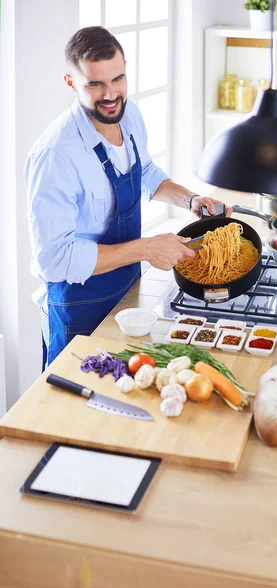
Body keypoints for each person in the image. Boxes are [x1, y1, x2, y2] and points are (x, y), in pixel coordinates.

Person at [25, 26, 231, 370]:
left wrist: (190, 200)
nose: (110, 95)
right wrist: (147, 248)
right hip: (78, 308)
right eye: (95, 84)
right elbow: (55, 261)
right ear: (69, 81)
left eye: (117, 79)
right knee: (75, 411)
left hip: (127, 292)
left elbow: (145, 171)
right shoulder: (56, 156)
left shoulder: (129, 114)